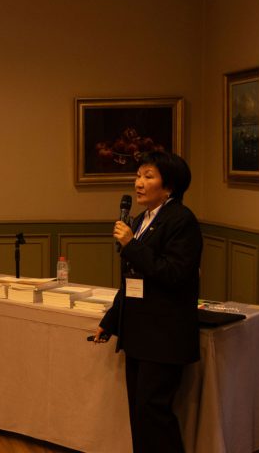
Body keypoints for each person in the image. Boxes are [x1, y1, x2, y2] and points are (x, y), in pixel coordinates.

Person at [92, 150, 202, 453]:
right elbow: (132, 279)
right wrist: (111, 321)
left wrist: (131, 244)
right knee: (139, 412)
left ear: (169, 186)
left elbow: (174, 273)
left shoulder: (181, 220)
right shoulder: (142, 219)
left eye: (148, 176)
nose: (138, 183)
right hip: (140, 333)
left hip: (164, 335)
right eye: (138, 175)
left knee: (154, 412)